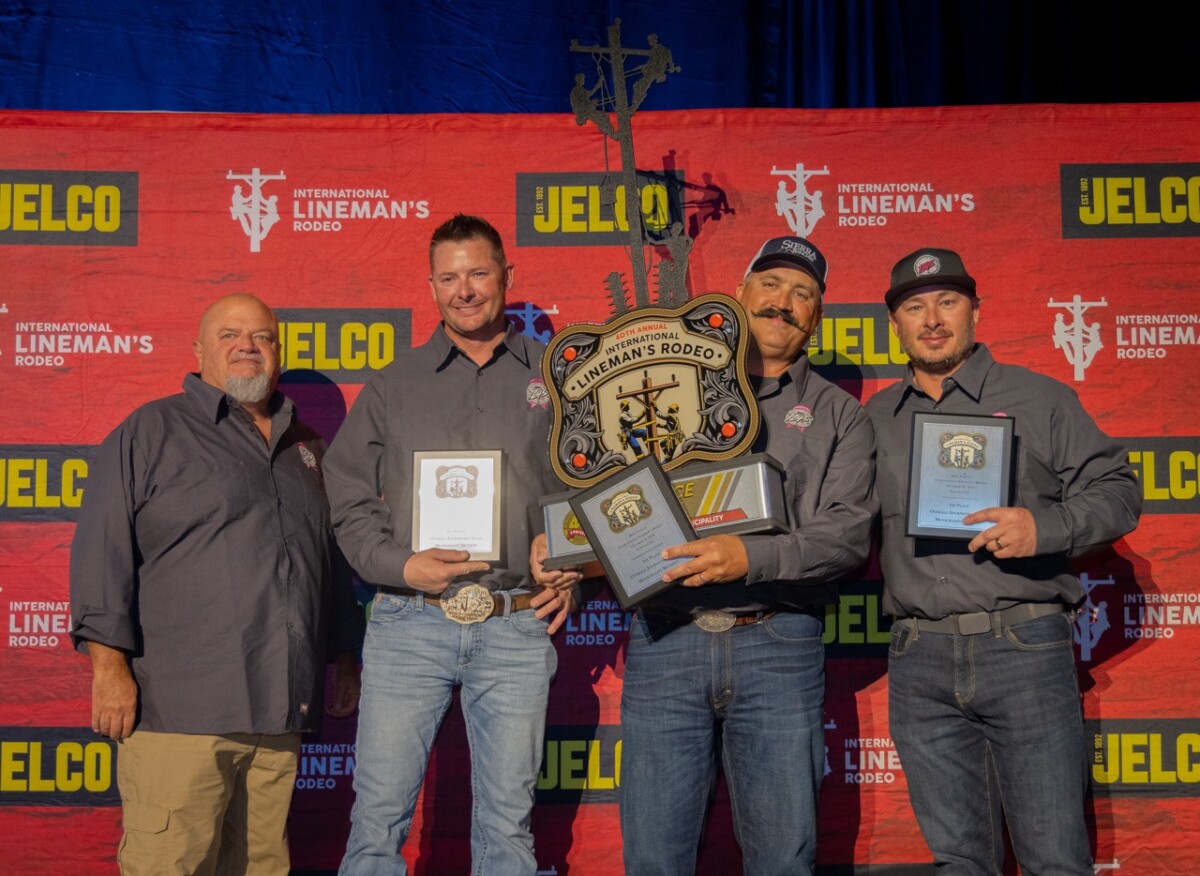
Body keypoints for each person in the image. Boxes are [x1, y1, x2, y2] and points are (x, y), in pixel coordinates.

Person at [865, 247, 1142, 874]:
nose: (931, 319)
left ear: (976, 312)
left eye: (947, 302)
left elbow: (1120, 493)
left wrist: (1044, 526)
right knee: (959, 862)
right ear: (896, 325)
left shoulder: (1041, 398)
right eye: (914, 307)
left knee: (1055, 858)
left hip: (1024, 646)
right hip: (919, 658)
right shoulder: (875, 419)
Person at [69, 293, 365, 876]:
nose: (248, 346)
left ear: (278, 352)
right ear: (199, 350)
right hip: (180, 713)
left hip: (279, 717)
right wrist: (108, 670)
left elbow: (324, 560)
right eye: (230, 335)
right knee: (171, 865)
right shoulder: (150, 432)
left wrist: (344, 655)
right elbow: (100, 556)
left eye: (262, 336)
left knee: (260, 866)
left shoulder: (304, 446)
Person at [325, 214, 580, 875]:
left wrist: (573, 557)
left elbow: (595, 488)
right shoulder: (392, 383)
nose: (464, 289)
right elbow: (347, 493)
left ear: (506, 277)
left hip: (516, 624)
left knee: (507, 831)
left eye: (478, 272)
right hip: (410, 622)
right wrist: (397, 563)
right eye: (449, 277)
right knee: (376, 824)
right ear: (431, 285)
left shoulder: (557, 377)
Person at [618, 236, 878, 875]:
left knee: (783, 860)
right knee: (653, 858)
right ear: (740, 292)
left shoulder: (841, 414)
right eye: (772, 284)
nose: (783, 303)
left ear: (816, 316)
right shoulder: (662, 388)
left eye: (803, 294)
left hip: (780, 643)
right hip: (665, 637)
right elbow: (609, 492)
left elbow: (845, 537)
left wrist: (747, 559)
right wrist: (566, 538)